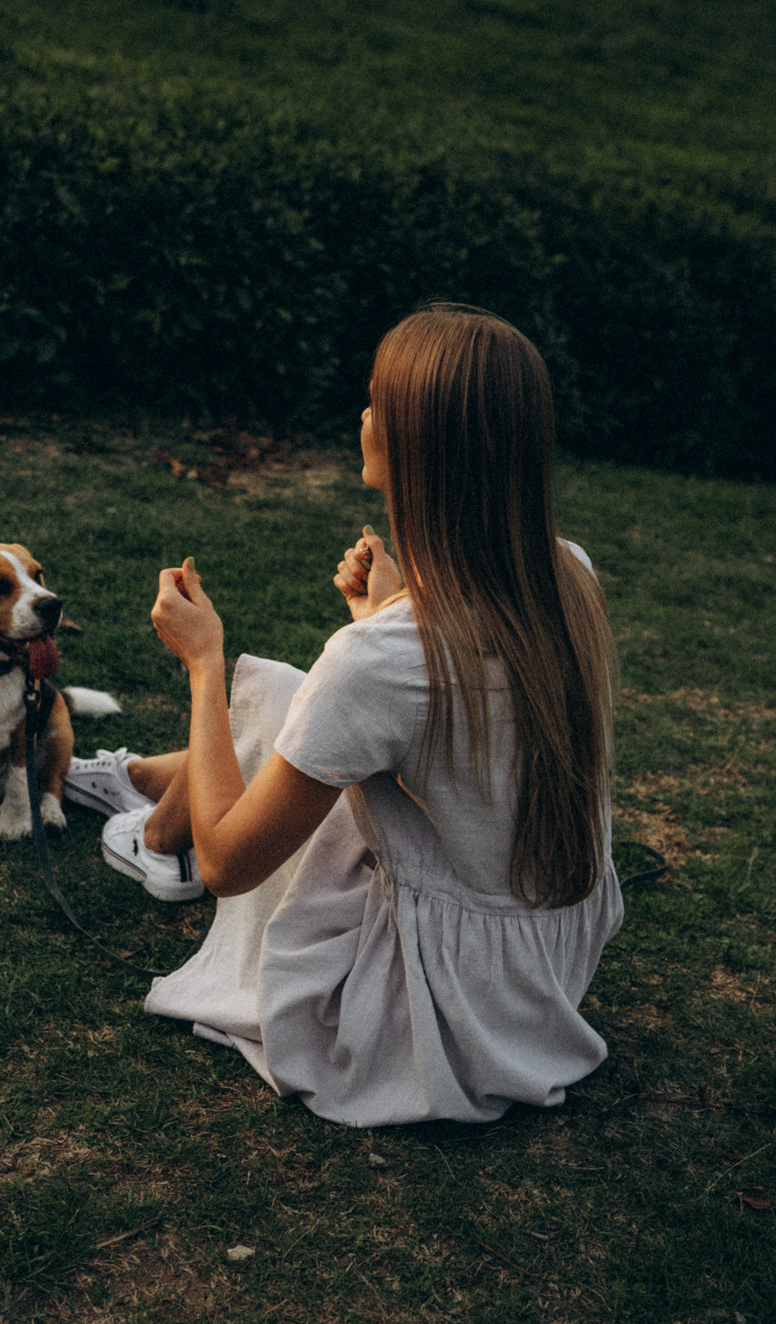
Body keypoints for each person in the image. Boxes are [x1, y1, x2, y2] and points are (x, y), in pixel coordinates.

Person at [63, 304, 623, 1127]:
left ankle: (157, 839)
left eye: (374, 403)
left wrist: (205, 662)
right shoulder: (567, 575)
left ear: (412, 450)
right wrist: (385, 610)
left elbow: (231, 864)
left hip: (435, 1005)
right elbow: (451, 723)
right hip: (538, 966)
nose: (361, 416)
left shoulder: (382, 661)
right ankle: (143, 782)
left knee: (275, 693)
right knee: (304, 698)